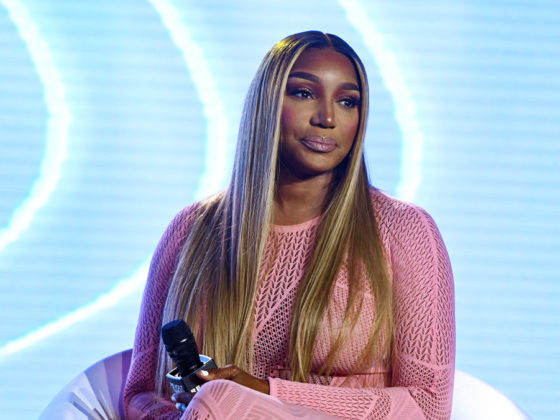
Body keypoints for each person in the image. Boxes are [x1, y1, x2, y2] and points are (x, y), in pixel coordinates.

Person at [123, 30, 455, 419]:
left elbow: (428, 404)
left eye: (347, 101)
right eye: (304, 93)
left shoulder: (404, 231)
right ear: (266, 103)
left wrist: (260, 393)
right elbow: (139, 393)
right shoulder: (192, 231)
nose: (326, 118)